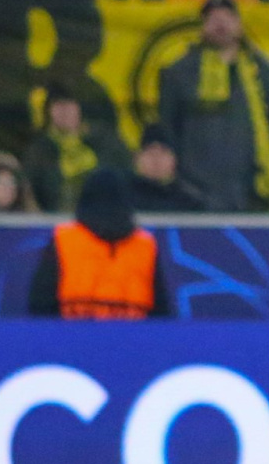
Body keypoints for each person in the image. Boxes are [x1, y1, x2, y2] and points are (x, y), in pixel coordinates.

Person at [154, 0, 269, 212]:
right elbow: (168, 125)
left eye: (227, 17)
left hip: (249, 190)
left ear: (239, 24)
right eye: (213, 19)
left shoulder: (262, 71)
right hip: (192, 192)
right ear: (202, 27)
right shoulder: (179, 72)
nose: (220, 24)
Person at [27, 168, 171, 318]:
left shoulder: (64, 239)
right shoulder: (144, 245)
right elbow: (161, 311)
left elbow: (41, 302)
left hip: (73, 329)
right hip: (133, 330)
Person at [24, 86, 131, 214]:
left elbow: (125, 174)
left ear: (79, 108)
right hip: (60, 217)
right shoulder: (40, 150)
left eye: (69, 105)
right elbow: (31, 189)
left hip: (105, 214)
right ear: (49, 113)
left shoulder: (105, 140)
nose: (65, 112)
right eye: (58, 107)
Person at [128, 122, 207, 211]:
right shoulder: (123, 197)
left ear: (174, 159)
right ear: (136, 158)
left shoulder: (190, 202)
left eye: (163, 152)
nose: (156, 159)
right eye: (150, 153)